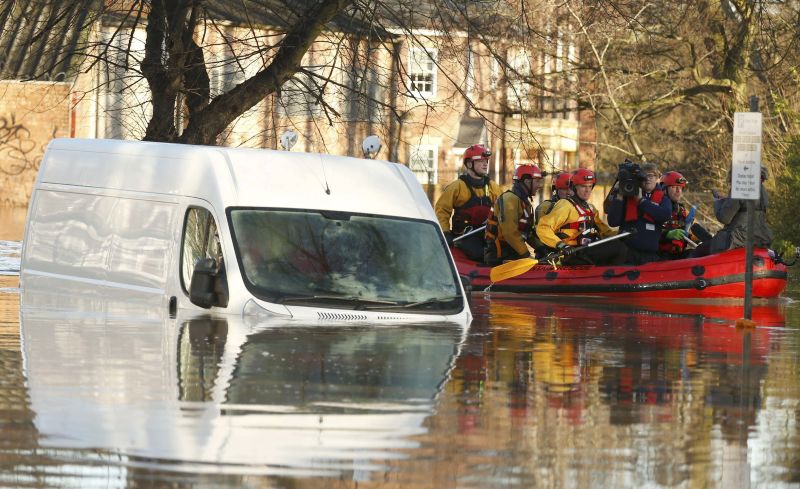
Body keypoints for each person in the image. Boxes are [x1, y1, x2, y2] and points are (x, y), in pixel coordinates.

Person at [536, 168, 626, 266]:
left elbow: (605, 232)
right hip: (572, 254)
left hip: (586, 251)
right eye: (583, 186)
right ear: (574, 188)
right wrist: (561, 245)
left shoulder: (590, 209)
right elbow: (543, 228)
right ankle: (616, 275)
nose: (587, 190)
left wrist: (624, 233)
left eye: (590, 186)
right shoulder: (566, 205)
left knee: (621, 243)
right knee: (618, 247)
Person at [435, 144, 501, 261]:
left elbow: (503, 209)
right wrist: (445, 233)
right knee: (479, 254)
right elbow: (442, 211)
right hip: (464, 237)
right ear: (469, 164)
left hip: (486, 235)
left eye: (486, 160)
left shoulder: (493, 187)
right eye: (481, 161)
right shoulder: (457, 187)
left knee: (499, 253)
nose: (485, 164)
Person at [605, 161, 672, 265]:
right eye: (644, 176)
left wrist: (641, 201)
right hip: (628, 254)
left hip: (650, 255)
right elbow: (613, 221)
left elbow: (665, 215)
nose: (648, 178)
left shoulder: (664, 199)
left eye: (651, 175)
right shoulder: (628, 194)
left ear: (657, 178)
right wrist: (619, 195)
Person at [701, 165, 773, 255]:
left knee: (699, 251)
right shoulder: (763, 191)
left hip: (737, 239)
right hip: (759, 238)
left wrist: (717, 202)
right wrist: (727, 201)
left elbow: (724, 218)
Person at [484, 164, 544, 266]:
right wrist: (526, 255)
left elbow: (527, 233)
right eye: (537, 181)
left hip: (514, 251)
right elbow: (509, 233)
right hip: (500, 254)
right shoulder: (509, 199)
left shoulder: (525, 203)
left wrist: (541, 248)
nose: (539, 185)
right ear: (527, 181)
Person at [531, 171, 573, 256]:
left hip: (572, 251)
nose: (568, 192)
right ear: (556, 190)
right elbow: (542, 232)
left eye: (571, 189)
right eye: (564, 189)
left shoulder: (578, 208)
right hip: (550, 252)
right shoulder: (545, 207)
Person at [658, 171, 694, 259]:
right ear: (664, 189)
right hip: (659, 256)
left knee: (695, 253)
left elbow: (690, 232)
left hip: (677, 256)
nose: (678, 191)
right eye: (674, 187)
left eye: (680, 188)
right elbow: (646, 233)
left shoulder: (682, 210)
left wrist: (700, 240)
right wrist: (666, 234)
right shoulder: (655, 208)